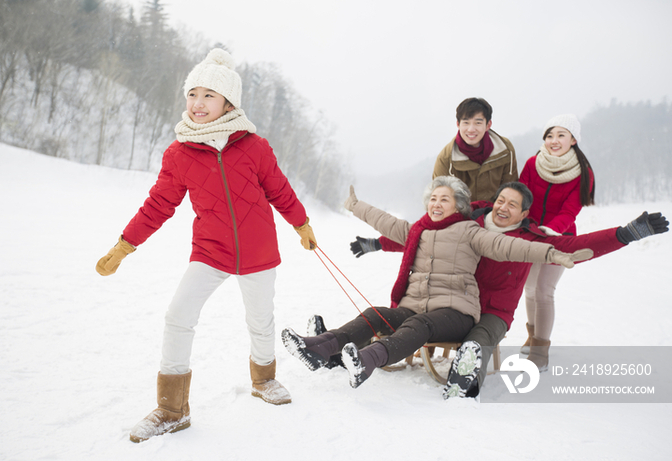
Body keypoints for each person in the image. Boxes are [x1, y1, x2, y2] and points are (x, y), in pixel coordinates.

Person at [95, 48, 317, 443]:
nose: (197, 104)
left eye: (208, 95)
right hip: (210, 251)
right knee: (178, 314)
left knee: (260, 320)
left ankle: (264, 379)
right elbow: (159, 205)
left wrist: (301, 223)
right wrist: (125, 245)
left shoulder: (254, 146)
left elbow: (279, 189)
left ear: (228, 103)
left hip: (258, 251)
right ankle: (172, 409)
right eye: (192, 94)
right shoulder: (179, 153)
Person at [349, 182, 668, 397]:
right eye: (501, 201)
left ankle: (466, 380)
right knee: (403, 316)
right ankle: (351, 350)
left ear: (524, 214)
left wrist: (625, 234)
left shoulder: (531, 239)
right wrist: (377, 243)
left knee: (479, 338)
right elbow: (422, 236)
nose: (503, 208)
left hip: (493, 313)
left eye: (512, 206)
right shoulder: (469, 221)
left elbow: (575, 245)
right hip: (453, 304)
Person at [282, 176, 591, 390]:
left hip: (455, 312)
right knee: (375, 314)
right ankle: (317, 349)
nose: (437, 203)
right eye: (433, 198)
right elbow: (386, 222)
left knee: (421, 326)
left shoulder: (471, 231)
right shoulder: (419, 231)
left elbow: (512, 247)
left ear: (458, 205)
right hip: (416, 306)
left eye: (445, 199)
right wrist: (355, 205)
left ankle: (366, 361)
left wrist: (552, 252)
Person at [518, 114, 595, 370]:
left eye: (561, 135)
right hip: (529, 235)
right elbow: (521, 197)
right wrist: (527, 226)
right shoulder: (532, 164)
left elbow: (571, 210)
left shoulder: (583, 172)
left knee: (544, 291)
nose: (554, 140)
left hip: (560, 239)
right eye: (550, 135)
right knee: (528, 290)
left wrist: (551, 230)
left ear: (573, 140)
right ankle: (531, 333)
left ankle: (541, 349)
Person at [432, 97, 518, 202]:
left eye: (478, 123)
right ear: (458, 124)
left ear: (488, 125)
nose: (471, 129)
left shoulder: (505, 149)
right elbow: (440, 200)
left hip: (495, 213)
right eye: (466, 123)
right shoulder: (446, 158)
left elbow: (511, 191)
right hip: (461, 215)